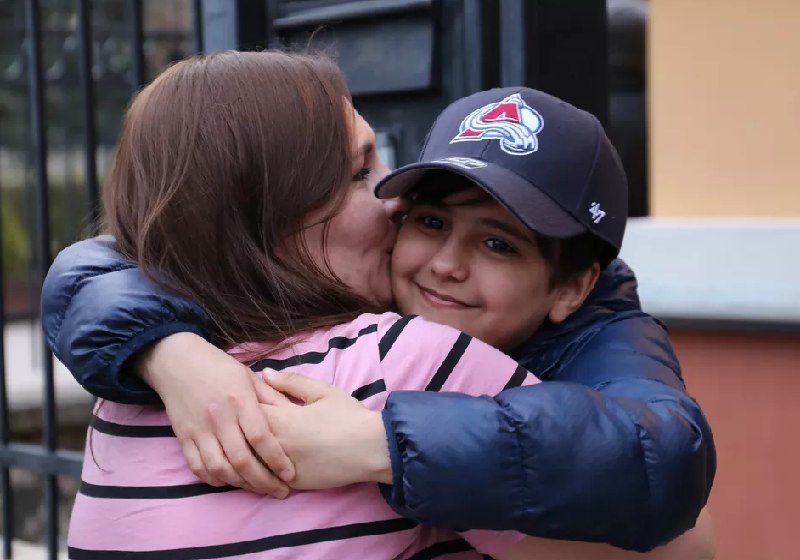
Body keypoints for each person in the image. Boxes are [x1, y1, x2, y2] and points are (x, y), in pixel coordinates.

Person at [42, 62, 716, 553]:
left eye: (497, 243)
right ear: (272, 216)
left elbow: (663, 465)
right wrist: (170, 352)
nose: (393, 208)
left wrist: (379, 444)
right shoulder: (408, 355)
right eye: (426, 218)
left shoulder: (123, 397)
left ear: (573, 286)